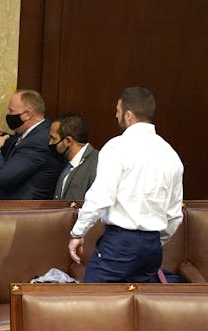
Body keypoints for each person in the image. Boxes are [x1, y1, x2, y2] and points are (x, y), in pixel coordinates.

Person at [69, 87, 183, 283]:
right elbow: (174, 216)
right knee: (140, 308)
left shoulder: (116, 147)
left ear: (128, 115)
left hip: (120, 244)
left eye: (118, 111)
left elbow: (100, 196)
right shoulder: (171, 155)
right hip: (152, 247)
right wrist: (153, 241)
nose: (116, 115)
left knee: (91, 304)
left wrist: (78, 233)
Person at [49, 112, 99, 200]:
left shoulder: (97, 165)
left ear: (68, 141)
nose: (50, 143)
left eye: (53, 138)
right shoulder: (66, 163)